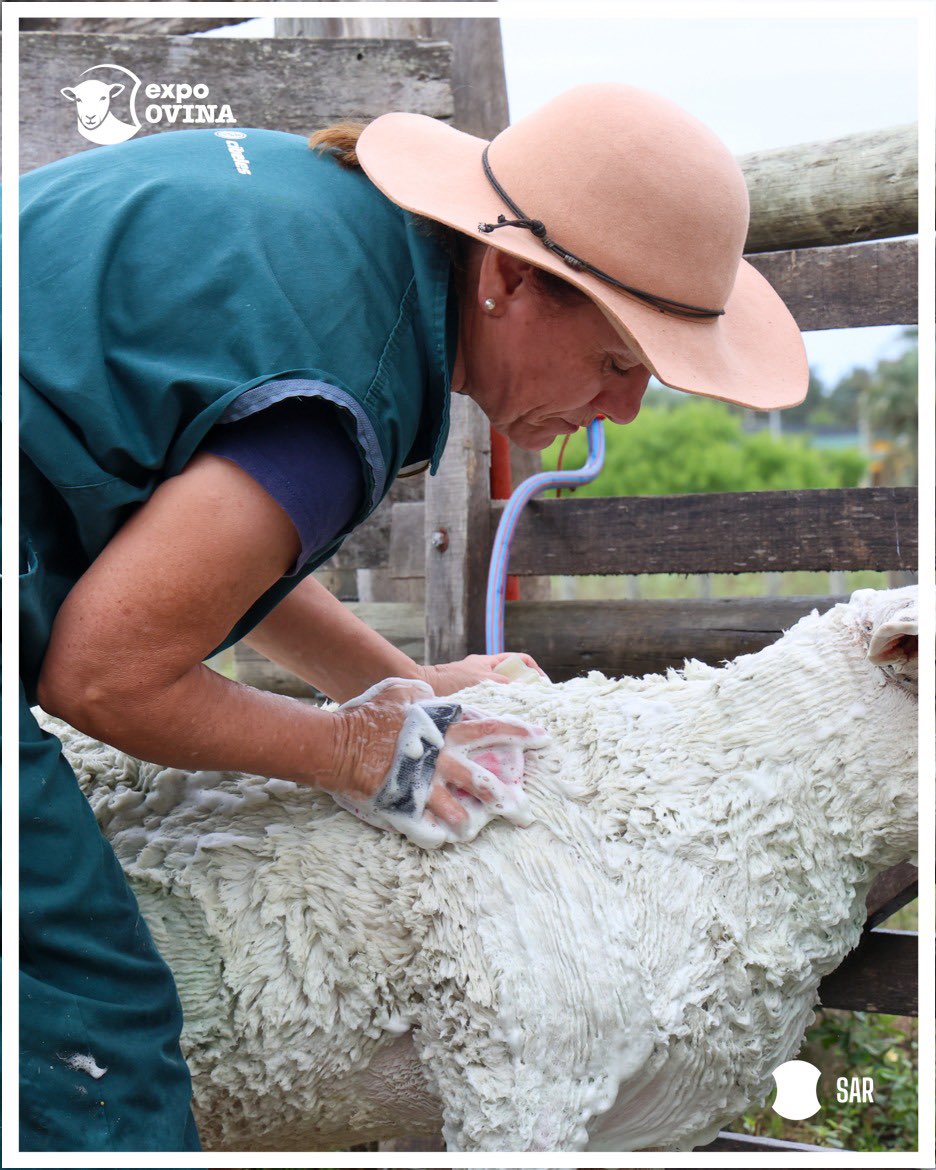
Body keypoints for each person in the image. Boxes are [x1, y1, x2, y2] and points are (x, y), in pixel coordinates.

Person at [18, 83, 807, 1151]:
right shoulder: (342, 380)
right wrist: (357, 751)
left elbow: (205, 567)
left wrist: (403, 685)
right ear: (513, 277)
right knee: (87, 1030)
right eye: (620, 361)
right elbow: (106, 676)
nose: (624, 407)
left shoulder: (339, 236)